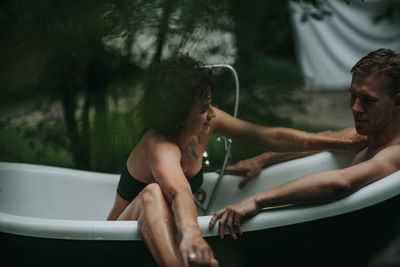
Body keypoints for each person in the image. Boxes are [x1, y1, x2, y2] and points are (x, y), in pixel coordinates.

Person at [107, 53, 365, 267]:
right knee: (153, 192)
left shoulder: (204, 125)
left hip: (160, 240)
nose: (210, 115)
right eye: (203, 109)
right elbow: (178, 192)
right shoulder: (159, 145)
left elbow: (270, 137)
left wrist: (339, 143)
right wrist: (193, 236)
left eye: (210, 105)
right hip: (118, 240)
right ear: (178, 117)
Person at [209, 48, 400, 241]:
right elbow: (324, 139)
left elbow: (340, 182)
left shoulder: (394, 152)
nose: (355, 108)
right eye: (353, 95)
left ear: (397, 102)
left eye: (368, 100)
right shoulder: (370, 135)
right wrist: (265, 159)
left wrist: (257, 200)